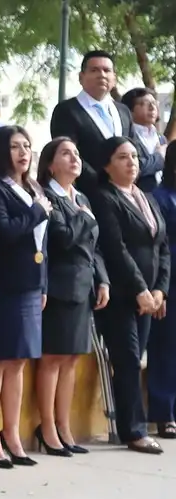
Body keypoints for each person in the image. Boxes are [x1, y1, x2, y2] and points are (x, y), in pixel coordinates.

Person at [0, 125, 51, 468]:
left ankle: (11, 432)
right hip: (3, 284)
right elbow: (3, 233)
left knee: (18, 360)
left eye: (27, 146)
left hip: (32, 283)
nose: (23, 152)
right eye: (15, 146)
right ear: (0, 152)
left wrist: (44, 283)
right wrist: (36, 211)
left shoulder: (33, 186)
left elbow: (42, 242)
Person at [88, 136, 169, 454]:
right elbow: (115, 248)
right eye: (122, 157)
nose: (131, 162)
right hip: (122, 295)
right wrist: (139, 289)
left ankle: (134, 425)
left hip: (150, 296)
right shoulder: (104, 197)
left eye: (135, 156)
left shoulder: (147, 197)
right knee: (128, 360)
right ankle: (133, 430)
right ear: (107, 165)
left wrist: (160, 289)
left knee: (137, 359)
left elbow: (162, 246)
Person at [33, 138, 109, 456]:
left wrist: (102, 280)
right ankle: (47, 427)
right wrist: (82, 216)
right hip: (59, 287)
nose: (75, 158)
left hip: (84, 287)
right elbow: (62, 238)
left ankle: (64, 426)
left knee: (72, 360)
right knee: (53, 359)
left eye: (77, 153)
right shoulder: (47, 196)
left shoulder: (81, 198)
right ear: (51, 163)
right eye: (66, 153)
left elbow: (94, 246)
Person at [50, 50, 147, 196]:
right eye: (94, 70)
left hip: (127, 193)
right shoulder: (67, 110)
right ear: (81, 77)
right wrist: (103, 183)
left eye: (107, 70)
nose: (101, 74)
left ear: (114, 78)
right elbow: (68, 154)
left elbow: (135, 148)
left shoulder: (123, 111)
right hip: (90, 193)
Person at [147, 142, 176, 438]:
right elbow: (160, 248)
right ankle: (164, 414)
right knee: (167, 349)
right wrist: (161, 289)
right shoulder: (160, 198)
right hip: (170, 283)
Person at [121, 88, 167, 193]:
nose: (152, 107)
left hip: (165, 197)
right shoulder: (127, 137)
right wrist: (159, 157)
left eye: (154, 103)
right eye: (143, 104)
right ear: (130, 111)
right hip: (142, 196)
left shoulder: (161, 138)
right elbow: (138, 167)